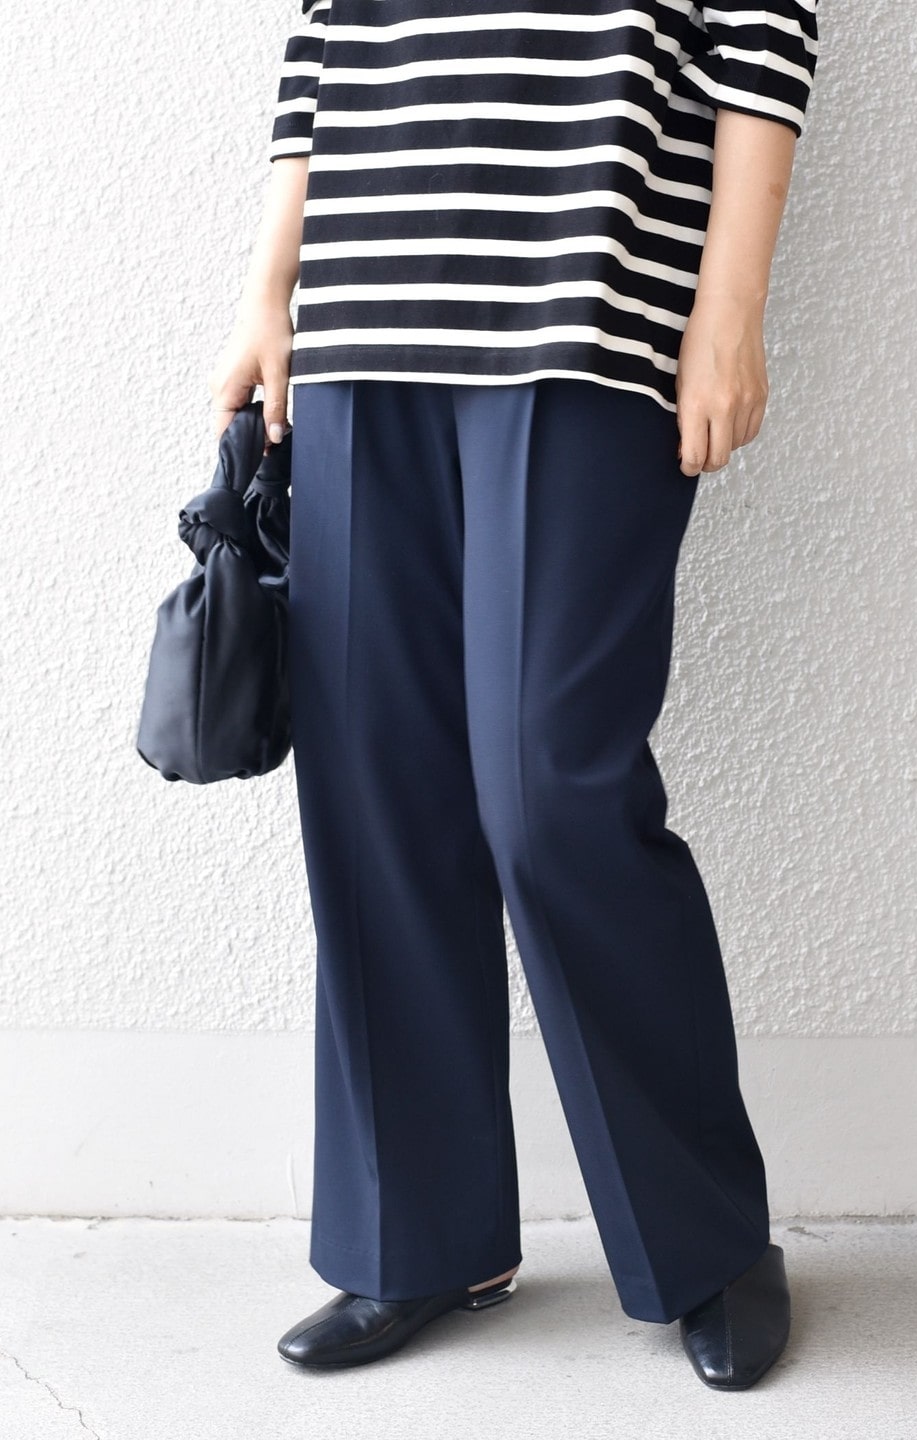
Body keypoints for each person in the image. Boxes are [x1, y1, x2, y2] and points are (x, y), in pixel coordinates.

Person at [209, 0, 818, 1391]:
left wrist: (730, 309)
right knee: (377, 801)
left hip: (585, 322)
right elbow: (326, 47)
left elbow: (763, 34)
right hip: (360, 330)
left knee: (554, 793)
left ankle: (711, 1244)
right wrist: (267, 289)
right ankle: (415, 1239)